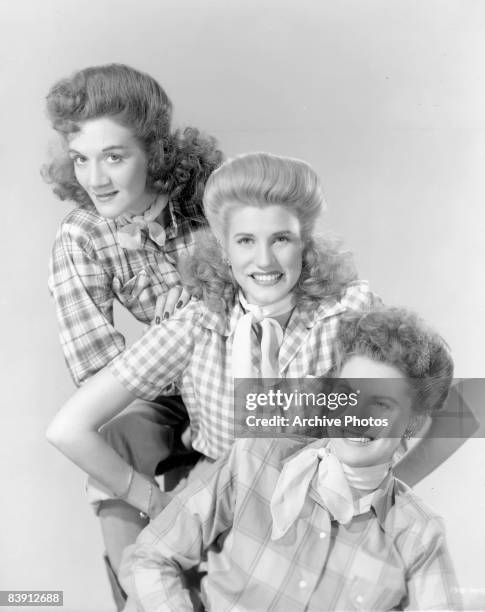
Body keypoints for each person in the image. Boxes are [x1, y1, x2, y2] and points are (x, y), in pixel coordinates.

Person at [45, 151, 375, 577]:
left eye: (281, 239)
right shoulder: (199, 322)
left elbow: (443, 411)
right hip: (224, 528)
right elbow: (67, 429)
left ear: (306, 240)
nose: (265, 262)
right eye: (245, 241)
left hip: (321, 529)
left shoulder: (346, 313)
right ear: (222, 246)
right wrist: (160, 507)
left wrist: (370, 502)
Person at [120, 307, 462, 612]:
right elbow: (149, 557)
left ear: (411, 425)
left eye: (382, 404)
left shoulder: (418, 533)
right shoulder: (257, 459)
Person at [43, 63, 223, 602]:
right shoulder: (80, 236)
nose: (94, 179)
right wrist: (167, 338)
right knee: (114, 437)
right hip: (166, 391)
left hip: (240, 379)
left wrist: (201, 293)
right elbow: (101, 376)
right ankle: (140, 597)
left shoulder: (212, 199)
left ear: (156, 153)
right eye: (81, 159)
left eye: (114, 157)